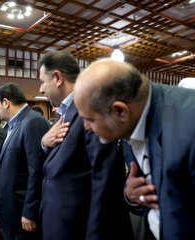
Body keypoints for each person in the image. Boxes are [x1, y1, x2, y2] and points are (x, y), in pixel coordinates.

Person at [74, 58, 195, 240]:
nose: (86, 127)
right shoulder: (134, 122)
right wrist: (131, 195)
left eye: (90, 119)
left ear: (120, 111)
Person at [38, 50, 133, 240]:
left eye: (42, 81)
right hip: (60, 222)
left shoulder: (91, 108)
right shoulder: (66, 114)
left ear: (57, 78)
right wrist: (43, 143)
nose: (41, 89)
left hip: (79, 228)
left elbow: (105, 180)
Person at [0, 82, 50, 240]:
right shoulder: (13, 125)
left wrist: (30, 211)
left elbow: (37, 170)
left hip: (22, 214)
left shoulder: (32, 122)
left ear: (6, 102)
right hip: (11, 213)